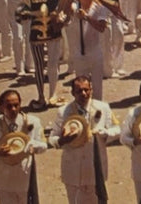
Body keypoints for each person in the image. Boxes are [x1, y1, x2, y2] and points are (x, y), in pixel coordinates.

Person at [48, 75, 120, 204]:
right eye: (79, 91)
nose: (83, 93)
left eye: (86, 90)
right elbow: (52, 138)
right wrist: (63, 140)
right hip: (73, 169)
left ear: (91, 90)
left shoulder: (103, 108)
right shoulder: (64, 112)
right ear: (72, 93)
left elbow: (117, 129)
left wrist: (105, 133)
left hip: (95, 167)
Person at [0, 89, 47, 204]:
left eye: (16, 105)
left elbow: (43, 146)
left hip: (25, 176)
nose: (13, 109)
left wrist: (33, 145)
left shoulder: (33, 122)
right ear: (1, 107)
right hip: (4, 179)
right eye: (9, 106)